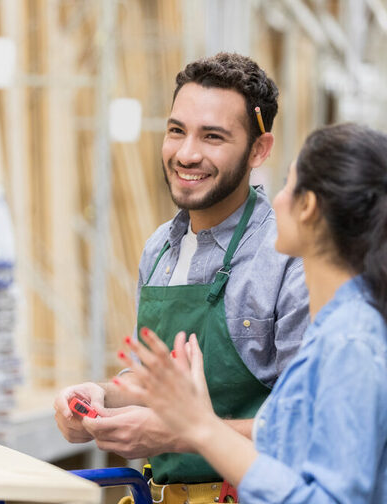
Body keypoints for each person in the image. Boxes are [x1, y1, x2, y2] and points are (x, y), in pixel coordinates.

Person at [54, 52, 309, 498]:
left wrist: (177, 433)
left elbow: (306, 425)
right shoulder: (159, 249)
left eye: (213, 137)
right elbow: (150, 383)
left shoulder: (287, 256)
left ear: (258, 150)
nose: (187, 154)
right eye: (176, 131)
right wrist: (99, 397)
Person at [116, 122, 387, 503]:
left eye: (289, 185)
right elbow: (280, 438)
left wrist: (200, 427)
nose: (276, 199)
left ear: (307, 206)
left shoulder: (349, 341)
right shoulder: (334, 329)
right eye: (176, 130)